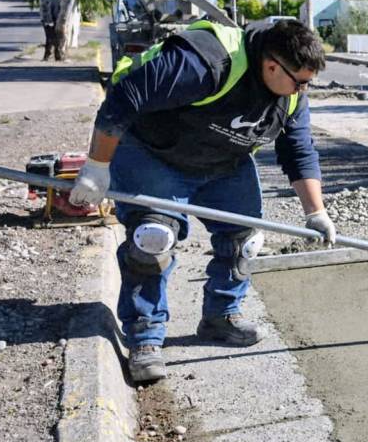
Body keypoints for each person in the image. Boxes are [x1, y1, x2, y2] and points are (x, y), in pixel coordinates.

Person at [68, 19, 336, 382]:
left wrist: (315, 213)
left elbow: (299, 150)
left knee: (245, 240)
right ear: (272, 65)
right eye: (300, 81)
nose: (302, 90)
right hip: (154, 152)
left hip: (223, 162)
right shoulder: (207, 61)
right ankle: (145, 338)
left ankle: (220, 317)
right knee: (153, 240)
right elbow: (125, 97)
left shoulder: (290, 96)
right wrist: (97, 166)